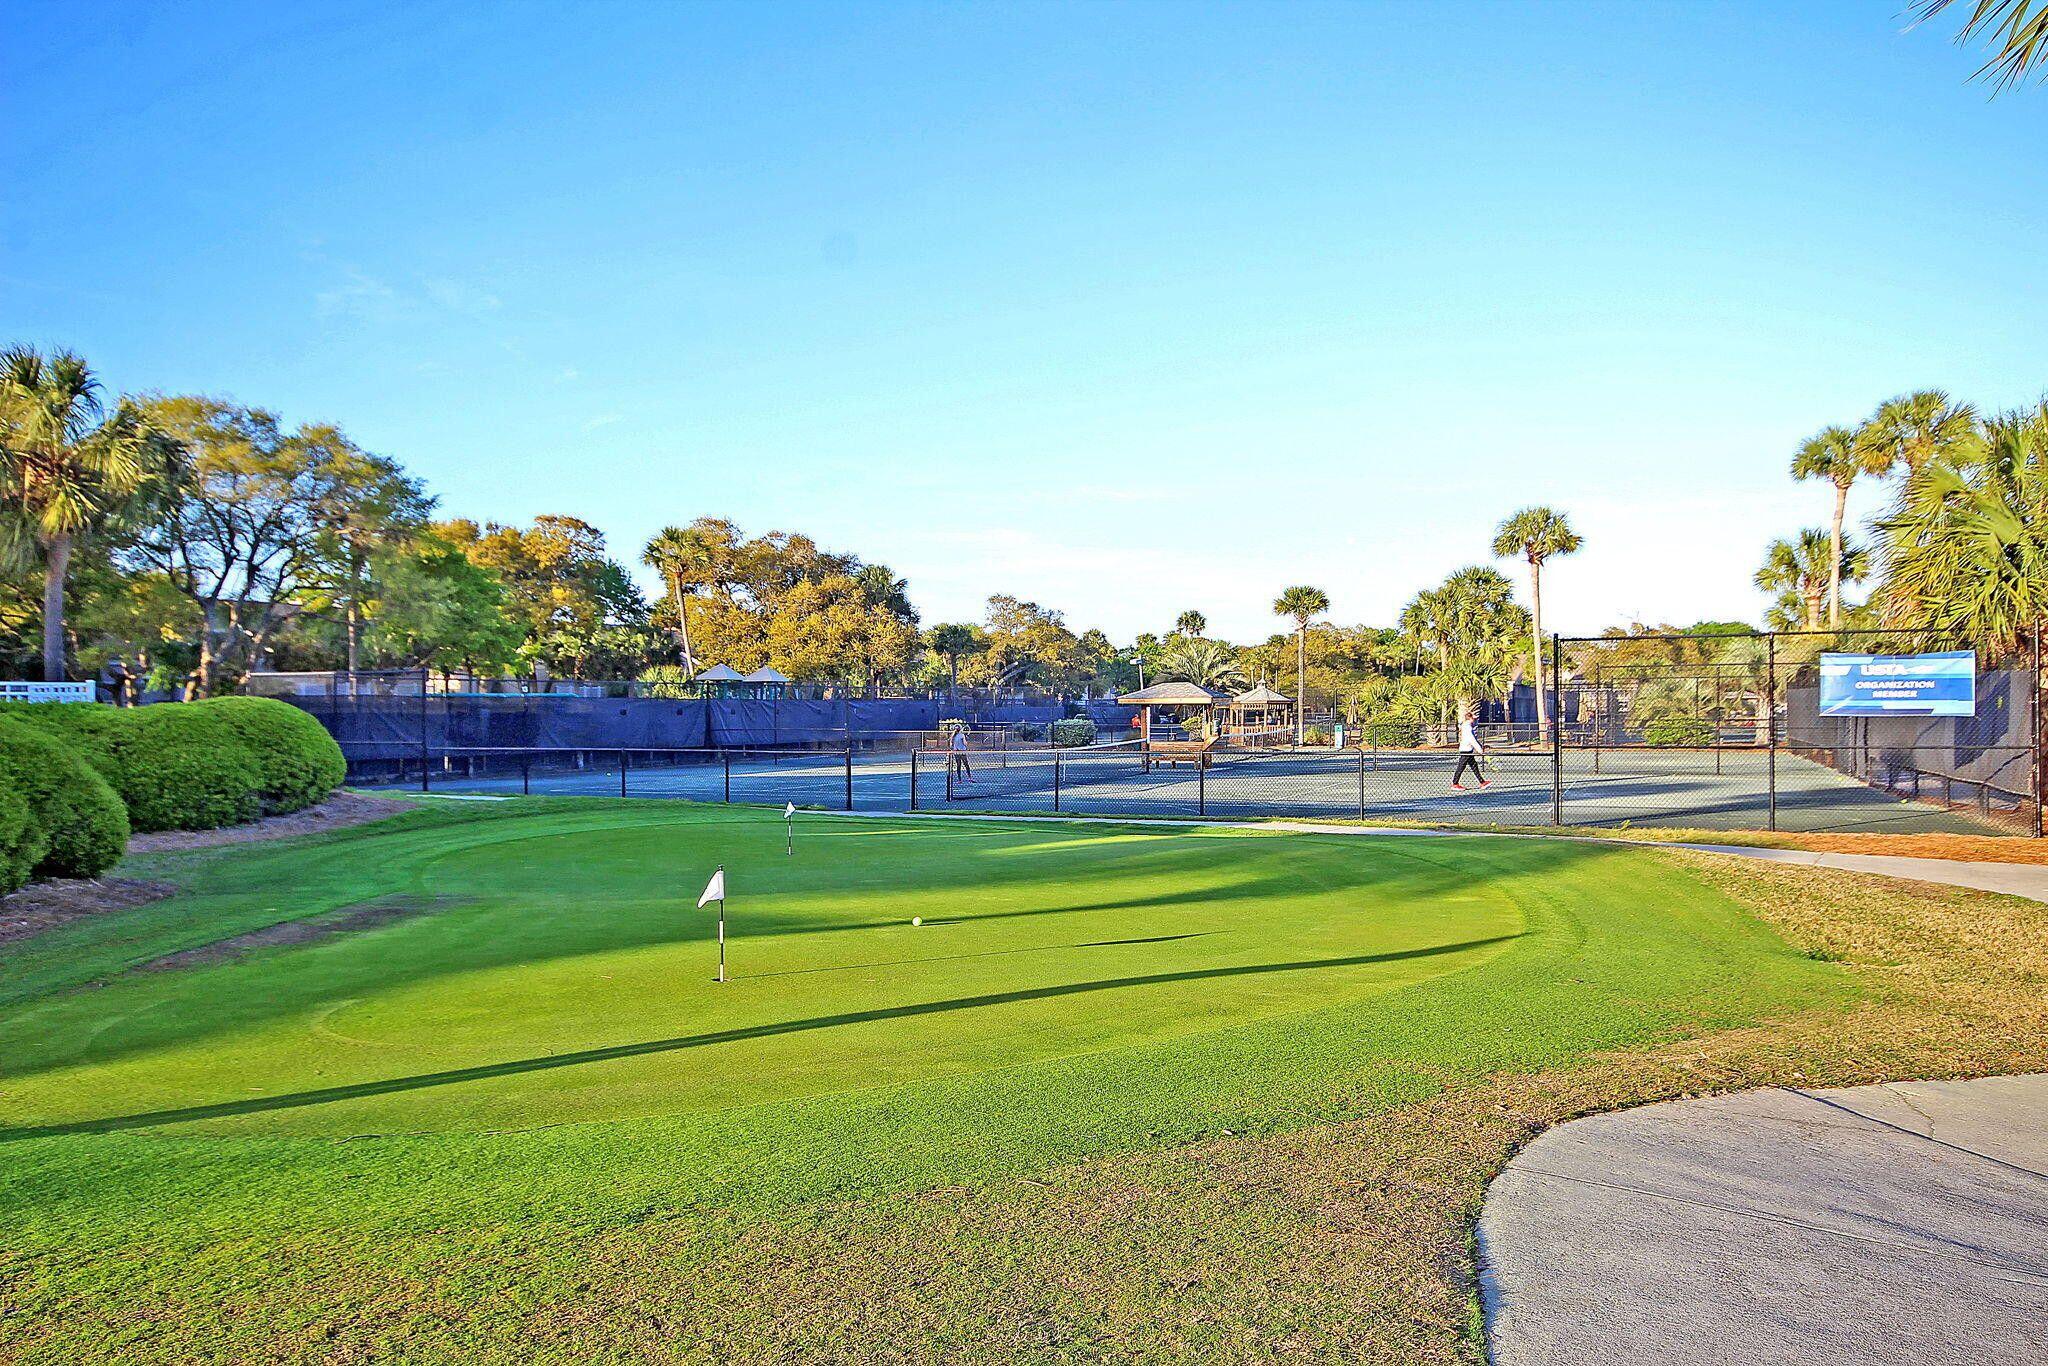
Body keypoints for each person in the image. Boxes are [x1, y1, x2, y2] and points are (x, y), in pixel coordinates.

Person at [1452, 707, 1490, 790]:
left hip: (1468, 750)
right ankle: (1455, 784)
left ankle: (1482, 782)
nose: (1475, 720)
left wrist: (1480, 747)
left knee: (1474, 766)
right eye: (1474, 718)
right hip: (1465, 750)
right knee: (1461, 767)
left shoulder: (1467, 726)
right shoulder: (1468, 727)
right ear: (1470, 718)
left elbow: (1473, 740)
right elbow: (1472, 740)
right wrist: (1480, 750)